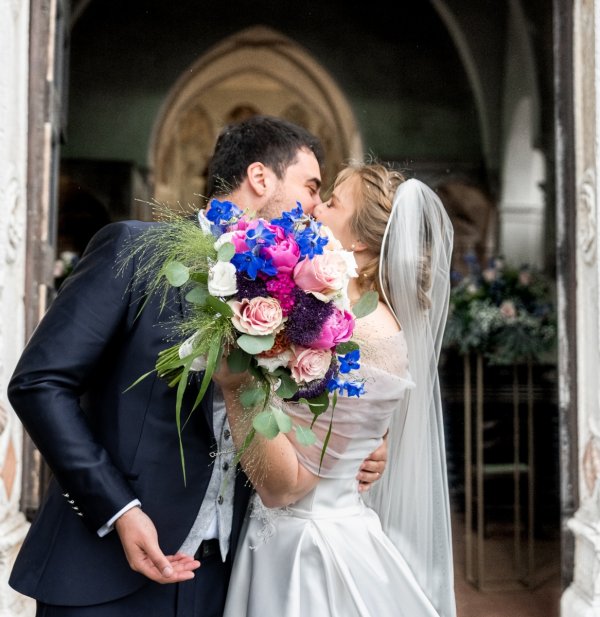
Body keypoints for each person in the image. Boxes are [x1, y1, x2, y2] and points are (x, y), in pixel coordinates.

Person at [7, 115, 386, 617]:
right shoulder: (136, 249)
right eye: (311, 186)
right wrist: (119, 510)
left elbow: (297, 418)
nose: (317, 206)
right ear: (260, 177)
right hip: (104, 568)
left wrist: (353, 448)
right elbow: (39, 382)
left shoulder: (302, 297)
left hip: (223, 577)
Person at [217, 162, 457, 617]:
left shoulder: (360, 333)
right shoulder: (332, 314)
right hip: (290, 538)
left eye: (331, 202)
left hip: (307, 554)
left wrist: (235, 385)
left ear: (360, 241)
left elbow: (287, 486)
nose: (315, 209)